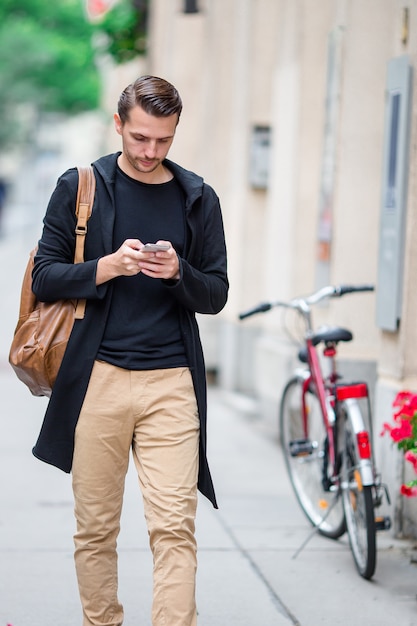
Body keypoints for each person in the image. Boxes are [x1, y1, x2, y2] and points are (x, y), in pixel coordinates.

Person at [31, 75, 228, 626]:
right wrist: (106, 268)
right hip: (98, 379)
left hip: (171, 383)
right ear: (118, 124)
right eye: (140, 137)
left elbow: (216, 292)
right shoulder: (81, 187)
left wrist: (178, 274)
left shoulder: (197, 198)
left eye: (163, 141)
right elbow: (45, 277)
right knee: (95, 528)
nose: (150, 152)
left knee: (174, 526)